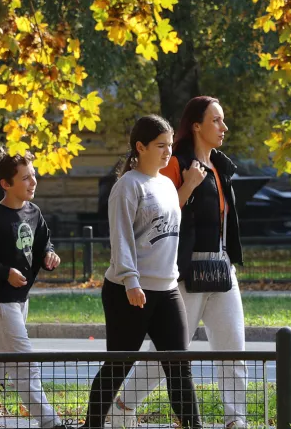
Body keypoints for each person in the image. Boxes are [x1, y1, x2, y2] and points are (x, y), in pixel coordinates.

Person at [110, 97, 247, 429]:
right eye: (216, 121)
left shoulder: (220, 165)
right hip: (184, 270)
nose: (223, 127)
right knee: (170, 352)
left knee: (233, 348)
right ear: (197, 125)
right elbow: (160, 217)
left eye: (223, 120)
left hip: (220, 267)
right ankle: (122, 407)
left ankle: (236, 421)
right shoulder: (175, 164)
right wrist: (189, 185)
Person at [80, 115, 202, 429]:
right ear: (140, 146)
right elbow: (120, 237)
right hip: (129, 291)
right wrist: (131, 281)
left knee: (179, 367)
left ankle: (194, 425)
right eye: (160, 146)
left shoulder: (164, 183)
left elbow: (166, 228)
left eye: (170, 146)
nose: (167, 152)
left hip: (167, 287)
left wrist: (187, 185)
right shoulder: (127, 186)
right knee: (118, 366)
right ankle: (92, 424)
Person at [0, 150, 68, 429]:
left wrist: (49, 255)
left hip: (20, 300)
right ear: (6, 184)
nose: (33, 182)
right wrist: (4, 273)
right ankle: (51, 422)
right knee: (23, 361)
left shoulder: (34, 212)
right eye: (25, 178)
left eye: (33, 176)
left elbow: (44, 243)